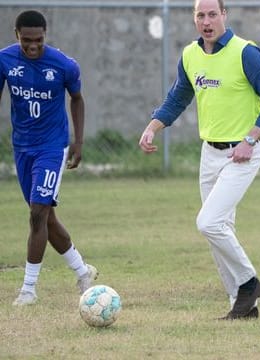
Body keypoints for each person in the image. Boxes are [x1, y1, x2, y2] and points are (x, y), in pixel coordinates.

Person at [139, 0, 260, 320]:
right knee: (218, 230)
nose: (207, 21)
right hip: (210, 153)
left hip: (242, 153)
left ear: (224, 16)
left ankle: (249, 282)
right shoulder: (190, 56)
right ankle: (242, 305)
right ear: (194, 19)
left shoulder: (246, 52)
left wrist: (250, 139)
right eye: (200, 15)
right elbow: (177, 98)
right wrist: (152, 128)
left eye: (212, 14)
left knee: (208, 222)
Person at [0, 10, 98, 306]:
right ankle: (83, 271)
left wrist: (78, 142)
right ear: (16, 35)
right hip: (22, 147)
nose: (33, 46)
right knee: (45, 217)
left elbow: (77, 99)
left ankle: (28, 290)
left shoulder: (63, 65)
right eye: (27, 40)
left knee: (37, 213)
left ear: (46, 35)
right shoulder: (4, 60)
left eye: (39, 40)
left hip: (52, 147)